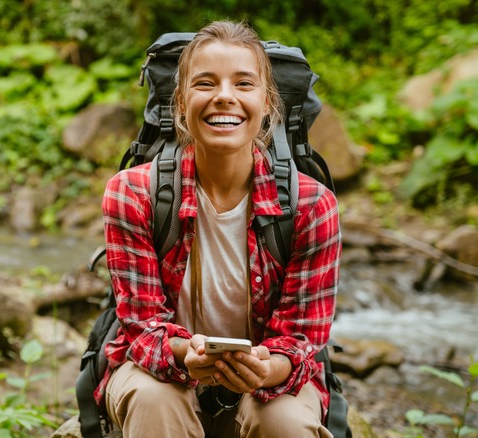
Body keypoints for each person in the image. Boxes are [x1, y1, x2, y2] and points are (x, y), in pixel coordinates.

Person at [98, 20, 341, 437]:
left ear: (268, 104)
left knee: (282, 421)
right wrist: (184, 355)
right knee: (157, 399)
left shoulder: (311, 206)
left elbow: (301, 338)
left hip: (268, 385)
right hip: (163, 374)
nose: (224, 97)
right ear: (180, 102)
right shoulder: (134, 193)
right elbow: (141, 326)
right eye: (205, 83)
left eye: (244, 84)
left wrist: (267, 369)